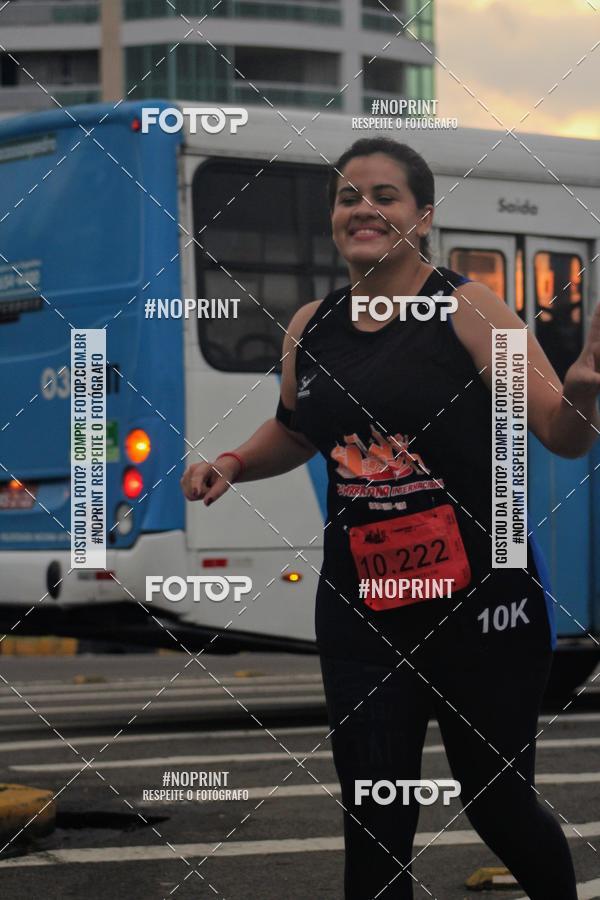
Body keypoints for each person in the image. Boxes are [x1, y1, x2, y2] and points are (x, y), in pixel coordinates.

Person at [181, 137, 600, 899]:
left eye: (384, 196)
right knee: (375, 820)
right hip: (363, 613)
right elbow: (297, 429)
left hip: (484, 608)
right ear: (333, 219)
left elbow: (558, 433)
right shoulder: (311, 326)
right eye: (349, 197)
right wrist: (235, 461)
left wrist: (582, 391)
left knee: (498, 805)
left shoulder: (470, 310)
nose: (363, 209)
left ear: (423, 217)